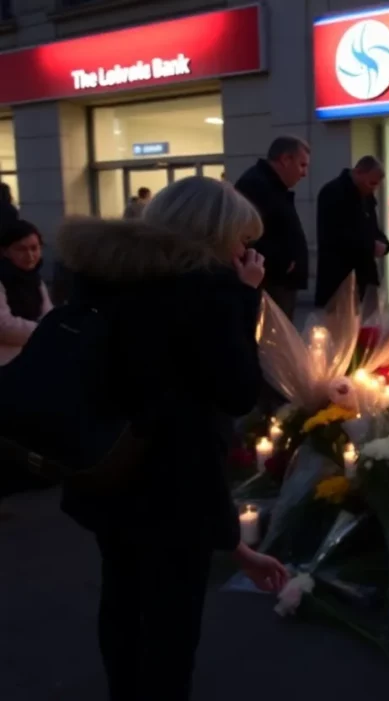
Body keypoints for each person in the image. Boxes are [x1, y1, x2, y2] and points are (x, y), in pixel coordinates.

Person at [55, 176, 289, 700]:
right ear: (213, 235)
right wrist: (245, 296)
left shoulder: (110, 275)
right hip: (172, 488)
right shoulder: (204, 293)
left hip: (107, 469)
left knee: (122, 599)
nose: (245, 252)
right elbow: (236, 391)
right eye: (240, 240)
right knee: (170, 623)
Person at [234, 136, 310, 319]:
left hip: (277, 282)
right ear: (285, 159)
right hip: (271, 283)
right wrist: (281, 263)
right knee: (274, 334)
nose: (304, 173)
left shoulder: (272, 186)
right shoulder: (256, 185)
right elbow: (246, 235)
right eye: (302, 165)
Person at [315, 155, 389, 305]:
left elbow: (373, 230)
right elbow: (336, 236)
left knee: (369, 318)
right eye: (371, 183)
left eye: (376, 185)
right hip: (339, 278)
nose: (373, 188)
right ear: (358, 172)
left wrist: (384, 244)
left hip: (365, 276)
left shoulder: (367, 197)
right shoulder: (333, 193)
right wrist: (371, 245)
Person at [0, 219, 53, 365]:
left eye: (34, 248)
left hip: (31, 359)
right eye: (21, 249)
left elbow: (48, 315)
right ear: (5, 251)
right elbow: (4, 326)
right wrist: (44, 330)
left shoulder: (35, 280)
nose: (30, 256)